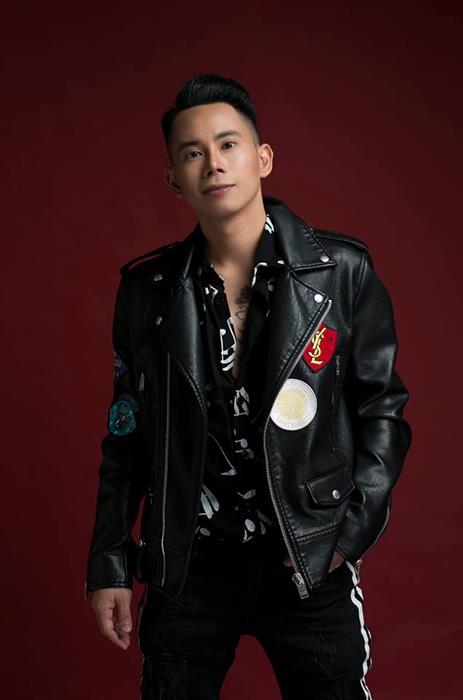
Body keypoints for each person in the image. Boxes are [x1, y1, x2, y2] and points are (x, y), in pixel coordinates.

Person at [85, 73, 412, 699]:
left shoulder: (341, 272)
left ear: (262, 158)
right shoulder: (146, 292)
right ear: (174, 180)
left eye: (228, 144)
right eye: (192, 152)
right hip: (190, 562)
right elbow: (126, 436)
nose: (213, 163)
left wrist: (347, 534)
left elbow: (383, 410)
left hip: (305, 555)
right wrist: (109, 563)